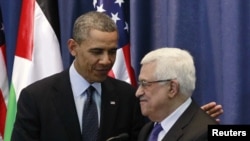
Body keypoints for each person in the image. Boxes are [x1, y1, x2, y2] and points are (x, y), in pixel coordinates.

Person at [11, 11, 222, 141]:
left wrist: (188, 121)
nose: (106, 60)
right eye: (97, 52)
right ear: (73, 47)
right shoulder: (36, 97)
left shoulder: (127, 95)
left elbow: (150, 136)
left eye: (112, 51)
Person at [136, 47, 219, 141]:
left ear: (172, 88)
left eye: (145, 84)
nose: (138, 93)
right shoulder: (147, 130)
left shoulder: (204, 134)